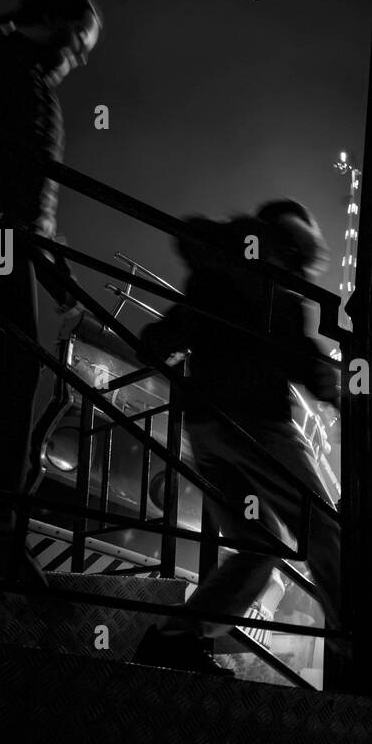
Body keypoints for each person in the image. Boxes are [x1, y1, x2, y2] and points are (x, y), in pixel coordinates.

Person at [133, 200, 342, 676]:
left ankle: (175, 637)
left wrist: (156, 341)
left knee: (260, 544)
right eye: (301, 259)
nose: (301, 270)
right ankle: (356, 642)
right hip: (258, 425)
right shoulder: (274, 283)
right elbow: (295, 354)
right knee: (323, 528)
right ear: (291, 245)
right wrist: (334, 388)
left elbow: (183, 323)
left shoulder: (216, 267)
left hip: (207, 429)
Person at [0, 0, 102, 585]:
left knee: (9, 368)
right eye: (76, 42)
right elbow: (30, 197)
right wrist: (63, 286)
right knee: (16, 369)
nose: (76, 59)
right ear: (49, 20)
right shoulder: (23, 81)